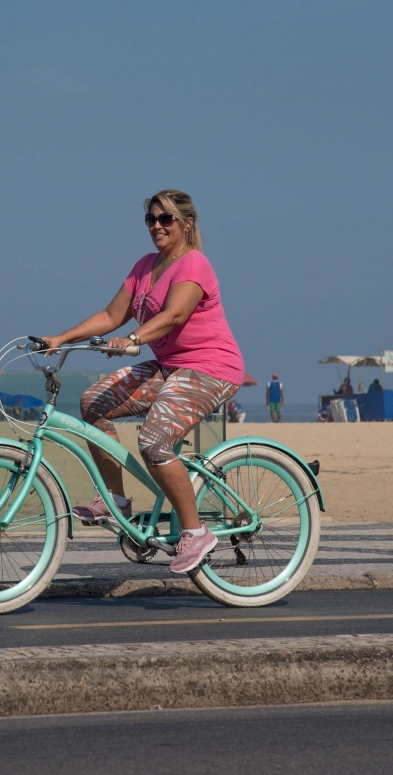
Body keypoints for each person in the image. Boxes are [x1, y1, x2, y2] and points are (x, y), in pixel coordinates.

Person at [40, 189, 244, 574]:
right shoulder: (145, 266)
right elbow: (112, 314)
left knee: (153, 440)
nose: (156, 226)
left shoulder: (194, 264)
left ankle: (195, 531)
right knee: (94, 402)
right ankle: (115, 499)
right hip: (169, 366)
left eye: (165, 219)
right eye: (151, 219)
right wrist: (62, 338)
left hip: (209, 368)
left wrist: (133, 340)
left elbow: (174, 316)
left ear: (187, 224)